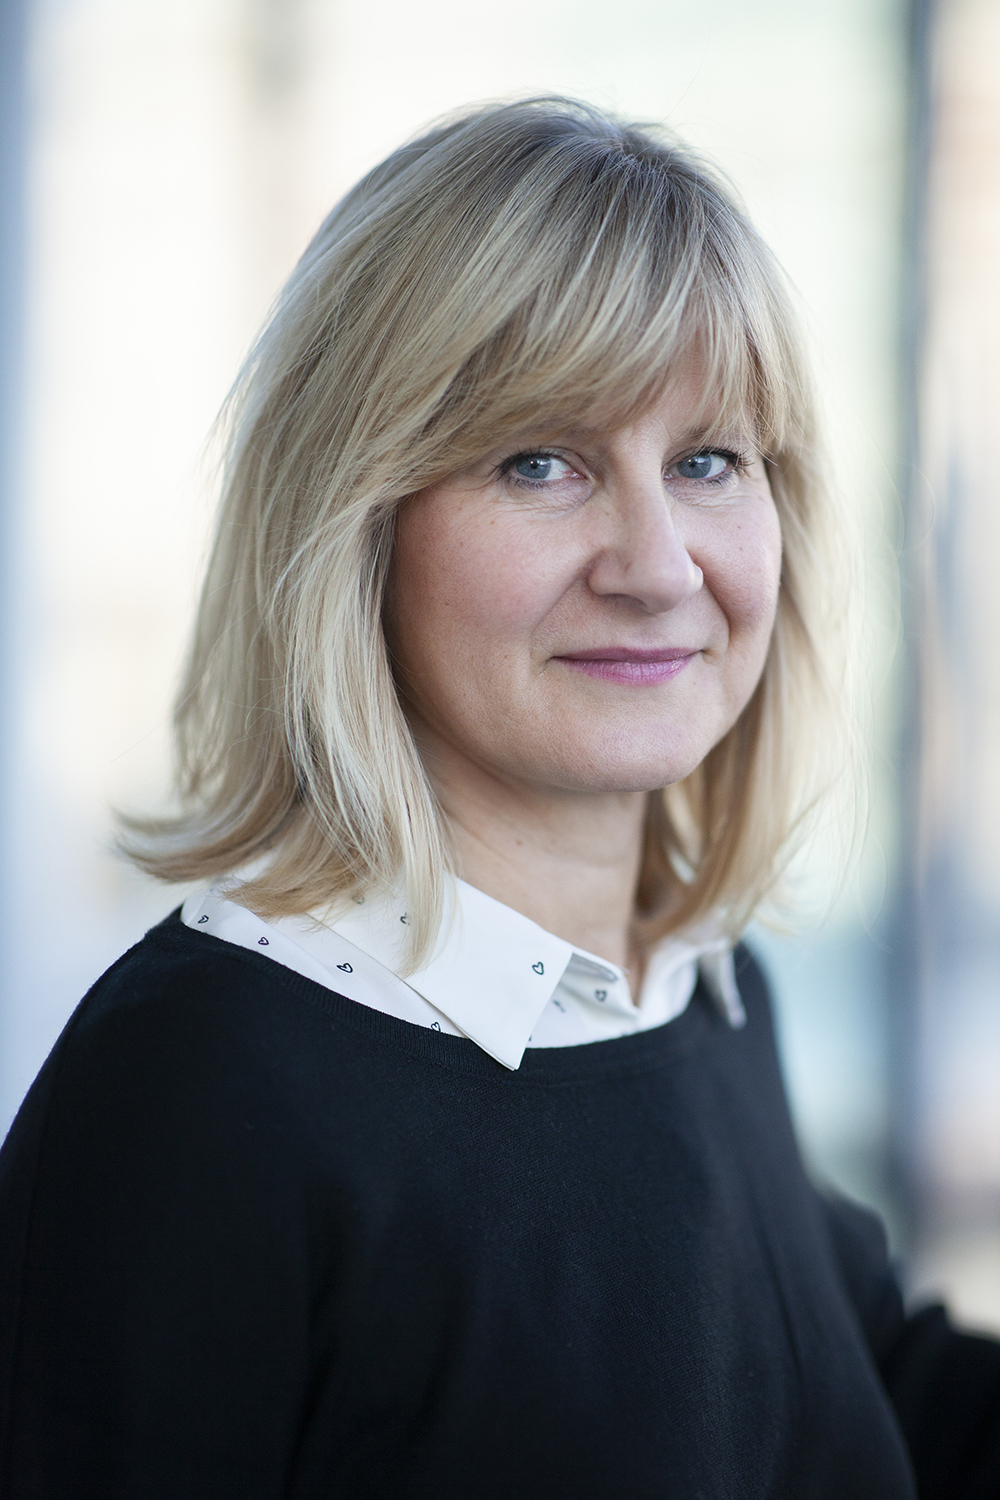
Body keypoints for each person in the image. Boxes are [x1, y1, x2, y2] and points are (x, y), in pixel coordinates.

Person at [0, 96, 997, 1500]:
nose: (657, 565)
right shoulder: (200, 1098)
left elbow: (867, 1393)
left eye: (709, 461)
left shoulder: (695, 992)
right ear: (355, 524)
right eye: (543, 463)